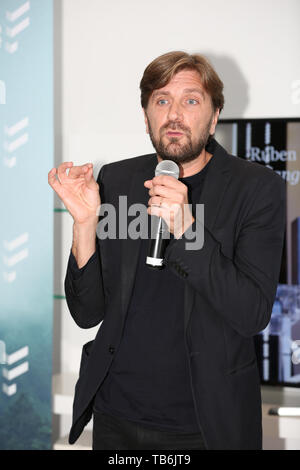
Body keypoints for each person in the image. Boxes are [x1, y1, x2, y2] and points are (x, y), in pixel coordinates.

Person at [48, 51, 286, 450]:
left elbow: (252, 313)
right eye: (162, 100)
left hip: (205, 425)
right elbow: (87, 313)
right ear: (146, 117)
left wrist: (187, 230)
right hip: (116, 417)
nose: (174, 114)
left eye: (191, 100)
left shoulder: (255, 188)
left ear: (213, 118)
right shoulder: (118, 179)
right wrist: (85, 224)